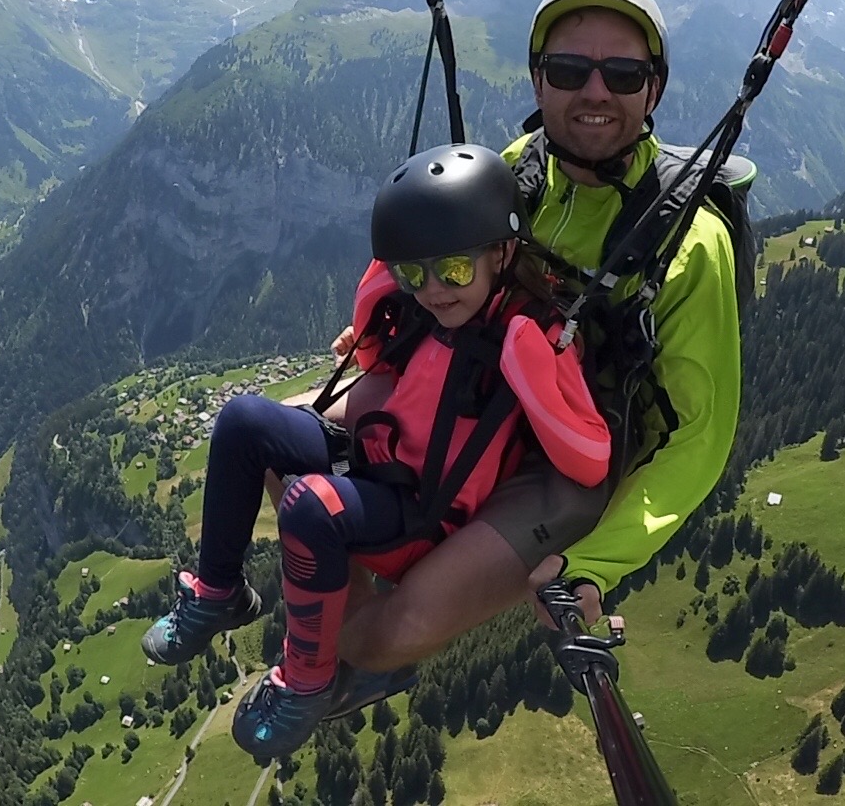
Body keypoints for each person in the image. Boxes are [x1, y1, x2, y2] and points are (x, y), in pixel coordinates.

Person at [327, 0, 742, 678]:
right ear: (538, 81)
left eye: (623, 73)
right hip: (480, 404)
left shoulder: (691, 244)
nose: (595, 92)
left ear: (654, 89)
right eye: (570, 69)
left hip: (567, 465)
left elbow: (698, 441)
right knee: (282, 437)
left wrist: (592, 564)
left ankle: (356, 655)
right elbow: (448, 274)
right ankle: (366, 592)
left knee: (379, 636)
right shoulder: (515, 174)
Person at [140, 142, 611, 762]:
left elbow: (590, 459)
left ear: (502, 252)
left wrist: (532, 370)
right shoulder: (429, 310)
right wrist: (376, 309)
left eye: (456, 270)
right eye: (416, 272)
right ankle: (218, 592)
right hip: (374, 460)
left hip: (422, 513)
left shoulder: (535, 337)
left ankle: (307, 682)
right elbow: (382, 368)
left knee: (309, 507)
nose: (437, 289)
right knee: (242, 418)